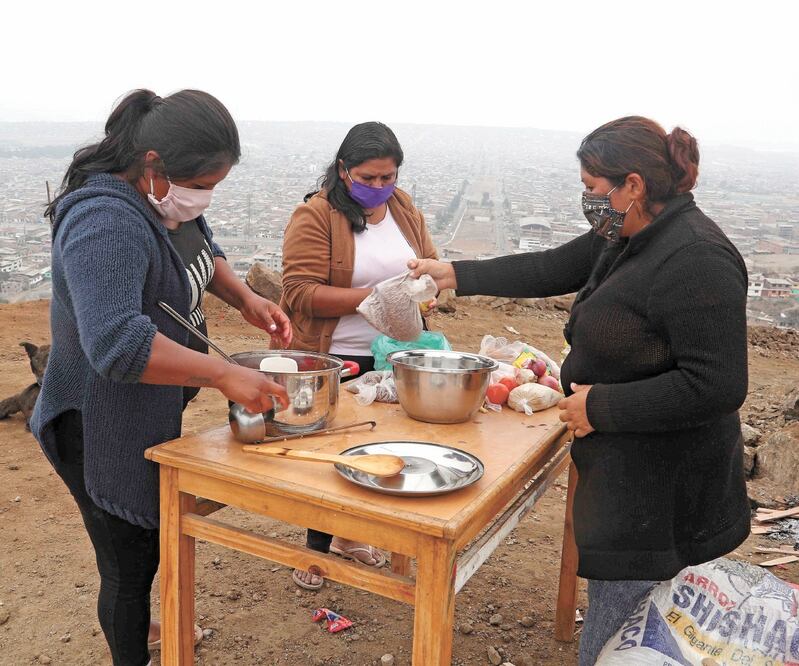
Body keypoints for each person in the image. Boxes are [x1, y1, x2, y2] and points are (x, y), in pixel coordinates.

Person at [409, 116, 750, 665]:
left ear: (633, 185)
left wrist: (601, 404)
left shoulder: (697, 258)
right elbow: (551, 267)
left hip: (664, 491)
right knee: (628, 624)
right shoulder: (628, 235)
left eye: (593, 187)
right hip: (628, 474)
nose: (587, 200)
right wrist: (455, 274)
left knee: (622, 637)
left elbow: (717, 384)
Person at [32, 89, 292, 666]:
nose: (204, 197)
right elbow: (117, 344)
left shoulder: (167, 200)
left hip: (142, 410)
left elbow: (202, 250)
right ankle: (132, 644)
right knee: (128, 562)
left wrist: (246, 299)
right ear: (153, 165)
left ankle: (140, 624)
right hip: (97, 422)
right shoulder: (104, 223)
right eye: (200, 184)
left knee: (144, 541)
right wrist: (224, 373)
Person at [280, 121, 438, 589]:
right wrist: (375, 298)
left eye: (387, 177)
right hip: (338, 355)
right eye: (368, 178)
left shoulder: (402, 208)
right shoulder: (317, 215)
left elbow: (428, 262)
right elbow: (299, 292)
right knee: (331, 451)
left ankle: (351, 537)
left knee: (382, 450)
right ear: (343, 169)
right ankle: (315, 550)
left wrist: (424, 291)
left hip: (394, 355)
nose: (379, 186)